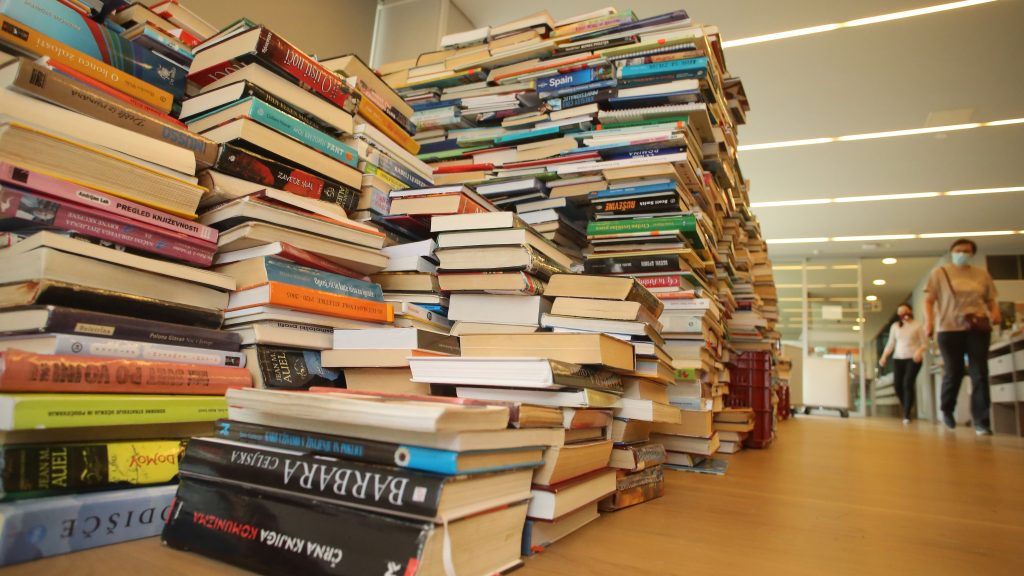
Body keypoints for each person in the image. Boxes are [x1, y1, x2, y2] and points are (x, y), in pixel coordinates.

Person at [924, 238, 1000, 435]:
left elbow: (991, 299)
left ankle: (982, 422)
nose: (962, 254)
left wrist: (995, 312)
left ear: (972, 254)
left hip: (977, 328)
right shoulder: (940, 273)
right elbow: (928, 300)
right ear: (952, 252)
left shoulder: (982, 274)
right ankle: (947, 409)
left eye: (966, 251)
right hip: (948, 329)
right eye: (958, 250)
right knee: (953, 371)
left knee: (979, 373)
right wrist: (929, 322)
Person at [879, 303, 927, 425]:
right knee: (897, 385)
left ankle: (906, 413)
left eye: (905, 311)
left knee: (907, 383)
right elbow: (890, 344)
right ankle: (906, 405)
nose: (903, 314)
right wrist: (884, 356)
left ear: (910, 311)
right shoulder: (895, 326)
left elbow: (924, 343)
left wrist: (919, 351)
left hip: (913, 359)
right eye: (900, 312)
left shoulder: (918, 325)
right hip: (898, 358)